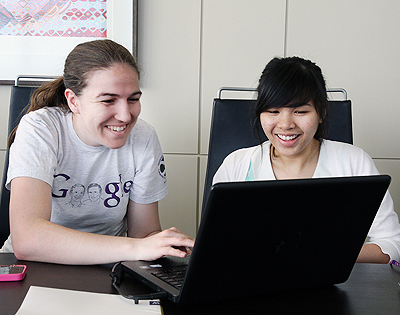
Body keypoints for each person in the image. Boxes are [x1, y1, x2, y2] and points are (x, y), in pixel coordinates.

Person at [0, 39, 194, 265]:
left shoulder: (144, 136)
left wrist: (162, 244)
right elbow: (28, 240)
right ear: (73, 101)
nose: (125, 115)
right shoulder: (41, 128)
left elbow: (143, 235)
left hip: (107, 266)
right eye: (108, 100)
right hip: (31, 266)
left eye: (133, 99)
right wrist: (136, 247)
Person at [213, 56, 400, 264]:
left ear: (321, 112)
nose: (285, 124)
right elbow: (213, 245)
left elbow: (391, 245)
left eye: (300, 111)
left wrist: (324, 253)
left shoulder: (354, 162)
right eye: (273, 111)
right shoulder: (236, 165)